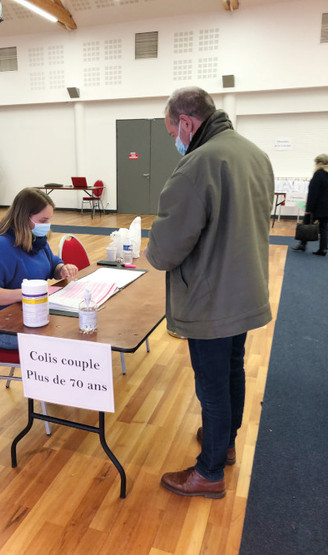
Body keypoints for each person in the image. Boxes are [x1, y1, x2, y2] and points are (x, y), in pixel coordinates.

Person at [144, 87, 274, 498]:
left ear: (186, 122)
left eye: (172, 132)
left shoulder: (198, 164)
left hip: (211, 298)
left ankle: (209, 473)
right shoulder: (254, 153)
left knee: (212, 387)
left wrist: (152, 245)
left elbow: (165, 251)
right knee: (232, 371)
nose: (174, 141)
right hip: (245, 289)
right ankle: (226, 443)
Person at [0, 187, 78, 350]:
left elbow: (52, 264)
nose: (47, 225)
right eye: (43, 220)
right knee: (67, 338)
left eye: (49, 220)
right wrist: (27, 294)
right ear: (24, 218)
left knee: (75, 329)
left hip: (32, 314)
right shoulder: (0, 247)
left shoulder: (37, 241)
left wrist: (62, 269)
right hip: (3, 327)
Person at [291, 153, 328, 256]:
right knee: (324, 227)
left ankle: (302, 244)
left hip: (317, 206)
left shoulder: (319, 174)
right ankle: (323, 248)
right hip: (326, 207)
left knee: (306, 223)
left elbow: (313, 192)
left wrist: (309, 208)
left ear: (319, 163)